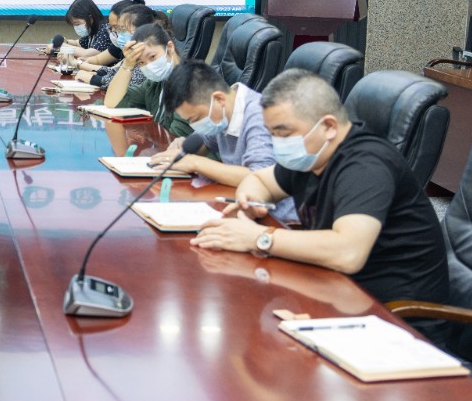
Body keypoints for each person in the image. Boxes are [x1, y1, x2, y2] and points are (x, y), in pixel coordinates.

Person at [190, 69, 449, 309]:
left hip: (394, 316)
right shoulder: (312, 155)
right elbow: (258, 180)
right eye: (272, 134)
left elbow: (348, 252)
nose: (278, 143)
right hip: (336, 291)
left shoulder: (366, 166)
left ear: (329, 127)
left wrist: (259, 237)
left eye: (284, 134)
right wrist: (250, 203)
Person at [155, 61, 296, 222]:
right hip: (239, 205)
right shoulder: (223, 111)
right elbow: (204, 142)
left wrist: (195, 163)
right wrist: (183, 149)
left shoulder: (259, 116)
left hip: (277, 219)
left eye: (196, 118)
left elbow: (259, 178)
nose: (194, 125)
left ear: (219, 99)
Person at [102, 23, 193, 140]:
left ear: (170, 47)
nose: (149, 66)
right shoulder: (155, 83)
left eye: (152, 57)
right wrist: (128, 64)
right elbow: (112, 102)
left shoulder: (191, 83)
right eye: (141, 62)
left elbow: (176, 138)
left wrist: (148, 136)